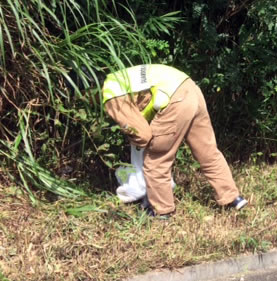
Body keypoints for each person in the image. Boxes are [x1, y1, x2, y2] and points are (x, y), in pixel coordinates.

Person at [99, 64, 247, 217]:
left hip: (174, 98)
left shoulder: (110, 91)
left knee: (156, 160)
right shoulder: (119, 78)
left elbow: (142, 136)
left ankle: (162, 211)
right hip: (190, 88)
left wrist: (135, 137)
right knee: (207, 151)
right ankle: (232, 198)